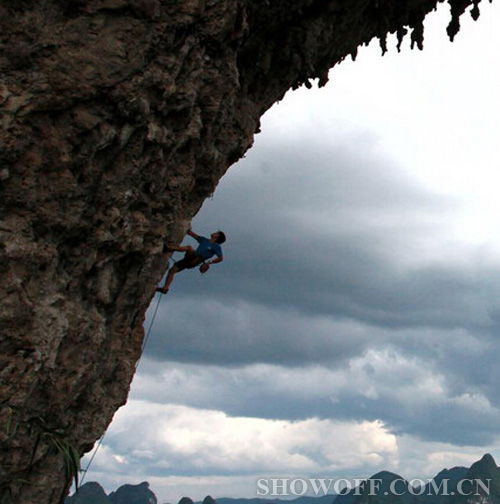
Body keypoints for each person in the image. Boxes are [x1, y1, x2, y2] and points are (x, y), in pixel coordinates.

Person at [156, 229, 226, 294]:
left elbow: (220, 258)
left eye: (217, 233)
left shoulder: (216, 246)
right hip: (190, 259)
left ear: (217, 236)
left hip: (196, 259)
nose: (214, 232)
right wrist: (187, 230)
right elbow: (193, 235)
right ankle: (165, 288)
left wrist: (210, 262)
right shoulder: (204, 240)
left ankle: (169, 248)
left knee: (189, 248)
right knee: (172, 270)